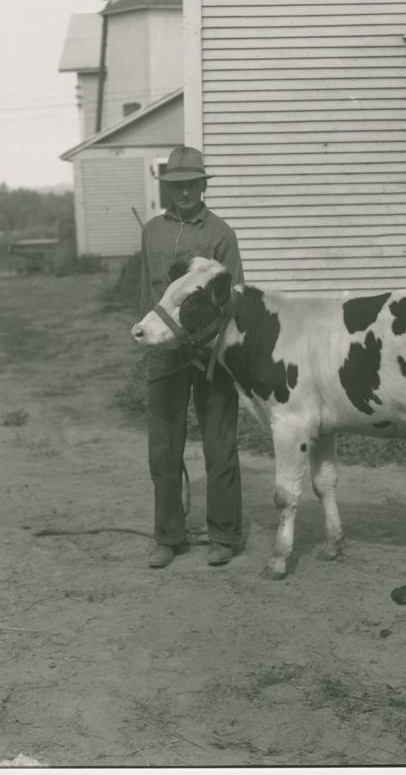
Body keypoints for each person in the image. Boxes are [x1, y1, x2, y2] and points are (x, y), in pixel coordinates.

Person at [138, 146, 244, 569]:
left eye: (192, 184)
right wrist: (148, 341)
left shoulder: (221, 233)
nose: (185, 192)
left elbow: (234, 297)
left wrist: (216, 347)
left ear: (203, 186)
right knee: (164, 447)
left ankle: (224, 534)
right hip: (166, 355)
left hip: (211, 355)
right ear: (169, 188)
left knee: (219, 444)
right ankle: (168, 536)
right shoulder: (151, 232)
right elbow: (147, 294)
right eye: (177, 185)